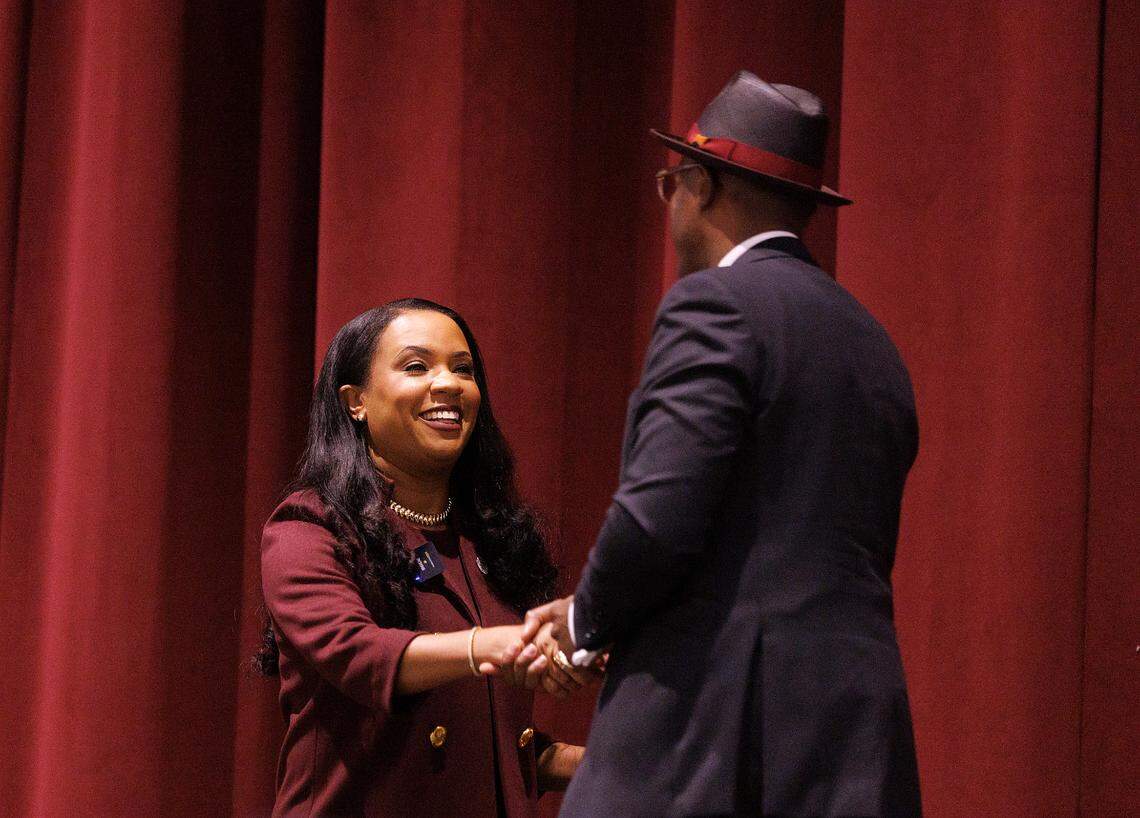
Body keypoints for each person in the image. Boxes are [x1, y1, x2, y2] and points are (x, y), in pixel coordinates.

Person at [516, 71, 923, 816]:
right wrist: (603, 607)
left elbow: (655, 521)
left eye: (670, 184)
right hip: (854, 741)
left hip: (717, 737)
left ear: (697, 186)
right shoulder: (874, 343)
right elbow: (770, 545)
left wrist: (581, 623)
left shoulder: (715, 305)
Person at [256, 298, 594, 817]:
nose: (449, 385)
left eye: (464, 370)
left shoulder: (490, 536)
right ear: (356, 402)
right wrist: (492, 645)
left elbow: (484, 749)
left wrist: (605, 764)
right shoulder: (309, 525)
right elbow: (359, 654)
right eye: (417, 366)